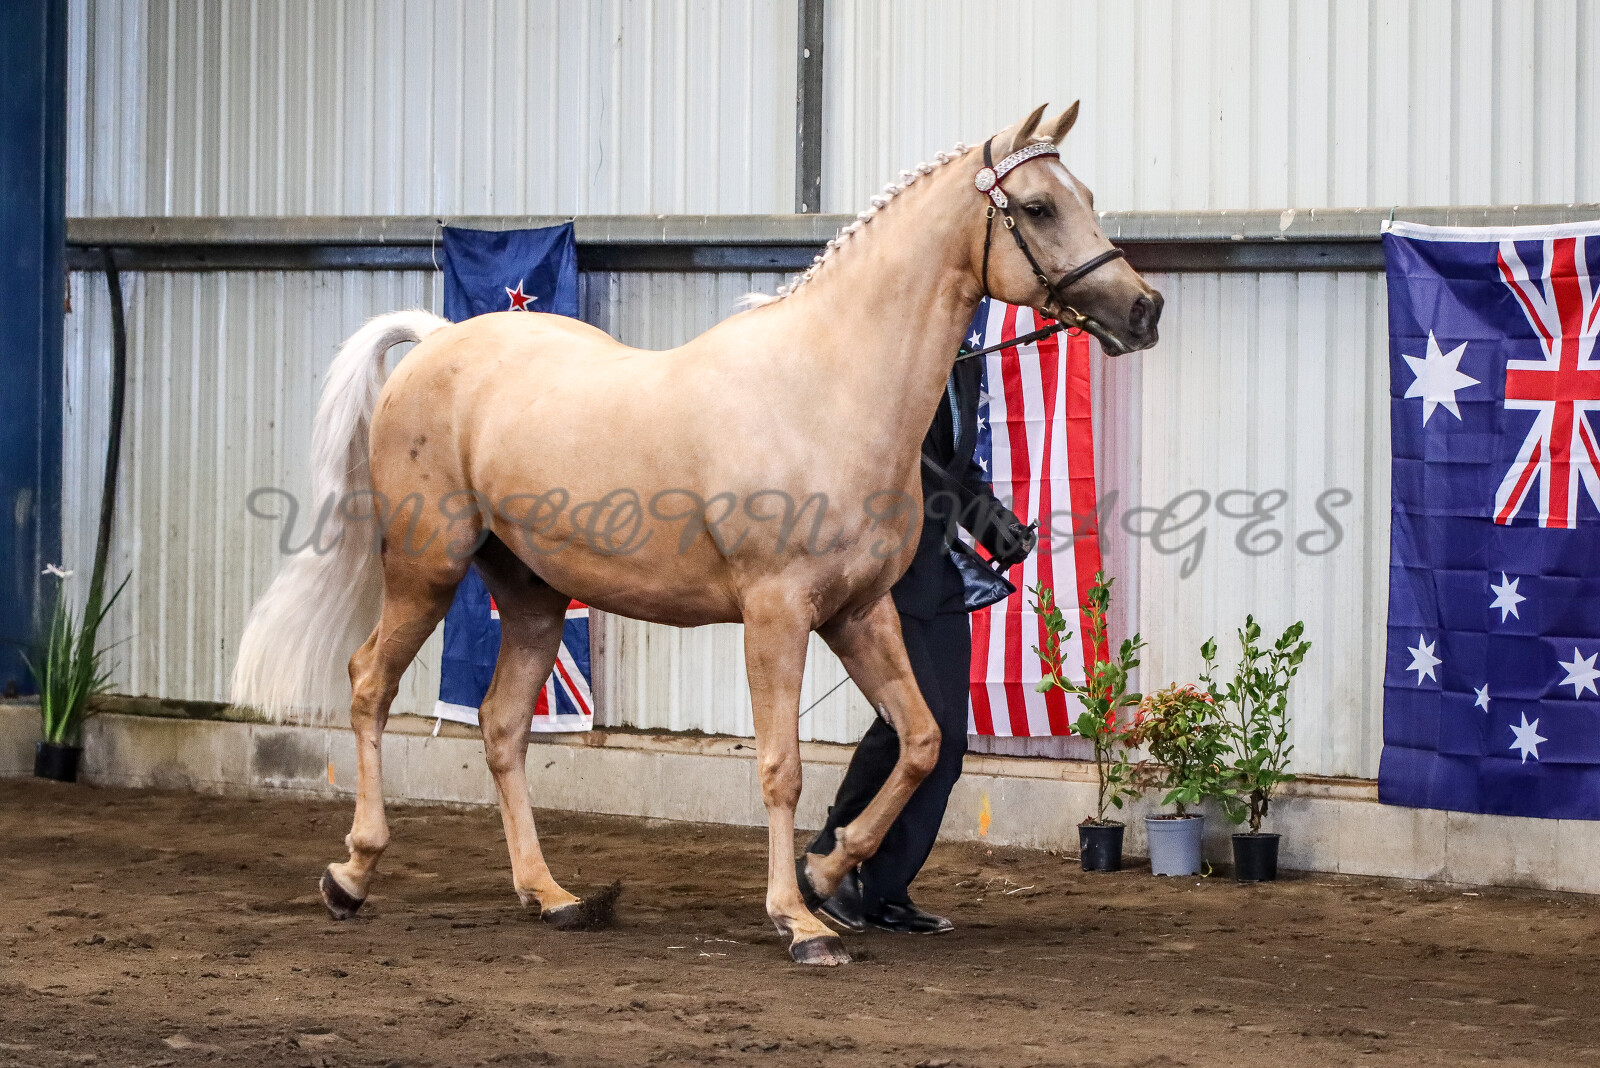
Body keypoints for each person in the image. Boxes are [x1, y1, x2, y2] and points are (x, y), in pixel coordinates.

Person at [808, 352, 1037, 934]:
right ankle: (828, 859)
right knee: (908, 726)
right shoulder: (889, 361)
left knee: (948, 741)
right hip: (884, 572)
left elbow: (953, 472)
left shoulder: (963, 367)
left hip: (937, 572)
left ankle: (884, 888)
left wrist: (995, 526)